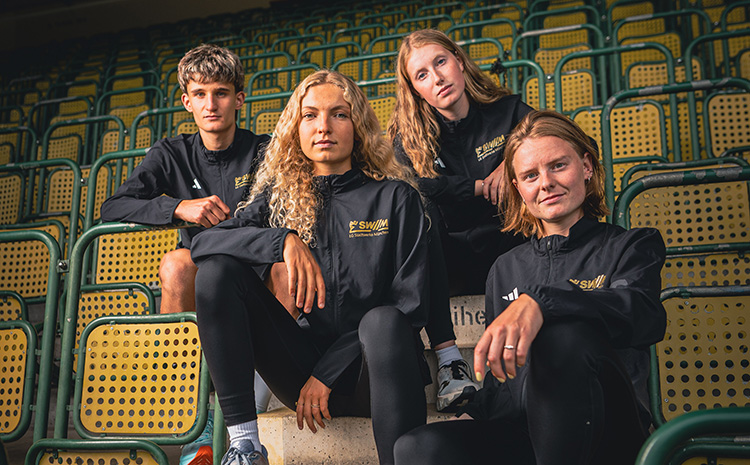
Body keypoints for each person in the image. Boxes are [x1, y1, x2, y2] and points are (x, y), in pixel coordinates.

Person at [393, 110, 667, 465]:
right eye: (530, 175)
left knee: (561, 336)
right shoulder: (505, 269)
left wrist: (542, 303)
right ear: (518, 189)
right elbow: (502, 382)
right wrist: (473, 416)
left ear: (586, 166)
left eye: (558, 166)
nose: (546, 183)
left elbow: (643, 315)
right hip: (526, 432)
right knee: (418, 447)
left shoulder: (631, 245)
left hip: (607, 430)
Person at [190, 70, 431, 465]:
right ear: (295, 129)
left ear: (358, 126)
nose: (323, 127)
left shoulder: (394, 198)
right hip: (299, 369)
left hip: (376, 372)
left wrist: (327, 372)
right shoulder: (279, 201)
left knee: (384, 320)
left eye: (339, 114)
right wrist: (282, 240)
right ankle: (245, 447)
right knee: (217, 273)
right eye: (310, 115)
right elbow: (204, 243)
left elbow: (411, 305)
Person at [99, 43, 273, 465]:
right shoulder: (171, 153)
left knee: (286, 266)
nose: (211, 104)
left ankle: (249, 418)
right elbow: (114, 206)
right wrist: (178, 208)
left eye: (221, 93)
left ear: (239, 99)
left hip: (257, 274)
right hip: (203, 274)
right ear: (186, 101)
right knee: (177, 265)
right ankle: (196, 418)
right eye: (200, 94)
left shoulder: (265, 149)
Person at [387, 29, 533, 411]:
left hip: (510, 245)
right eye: (422, 75)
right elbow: (409, 185)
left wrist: (514, 161)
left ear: (459, 61)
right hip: (447, 261)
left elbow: (560, 143)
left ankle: (524, 360)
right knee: (417, 208)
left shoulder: (508, 112)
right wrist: (477, 188)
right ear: (415, 89)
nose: (437, 78)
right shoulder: (410, 138)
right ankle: (451, 362)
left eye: (441, 62)